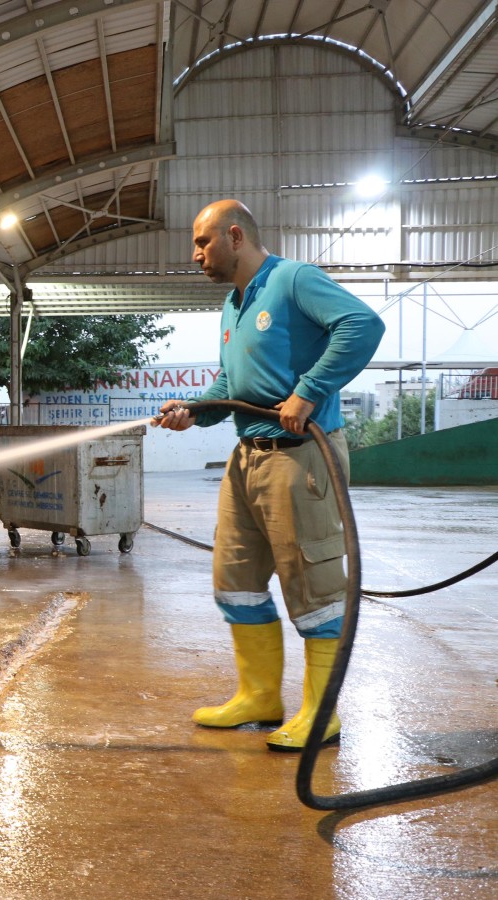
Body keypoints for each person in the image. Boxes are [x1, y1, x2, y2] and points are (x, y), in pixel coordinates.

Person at [154, 199, 385, 751]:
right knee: (234, 580)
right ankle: (259, 696)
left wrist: (308, 391)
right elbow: (232, 389)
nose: (196, 255)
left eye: (203, 242)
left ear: (235, 236)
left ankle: (321, 714)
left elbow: (363, 324)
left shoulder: (293, 280)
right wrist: (195, 409)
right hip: (247, 457)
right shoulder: (234, 305)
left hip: (301, 456)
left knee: (315, 589)